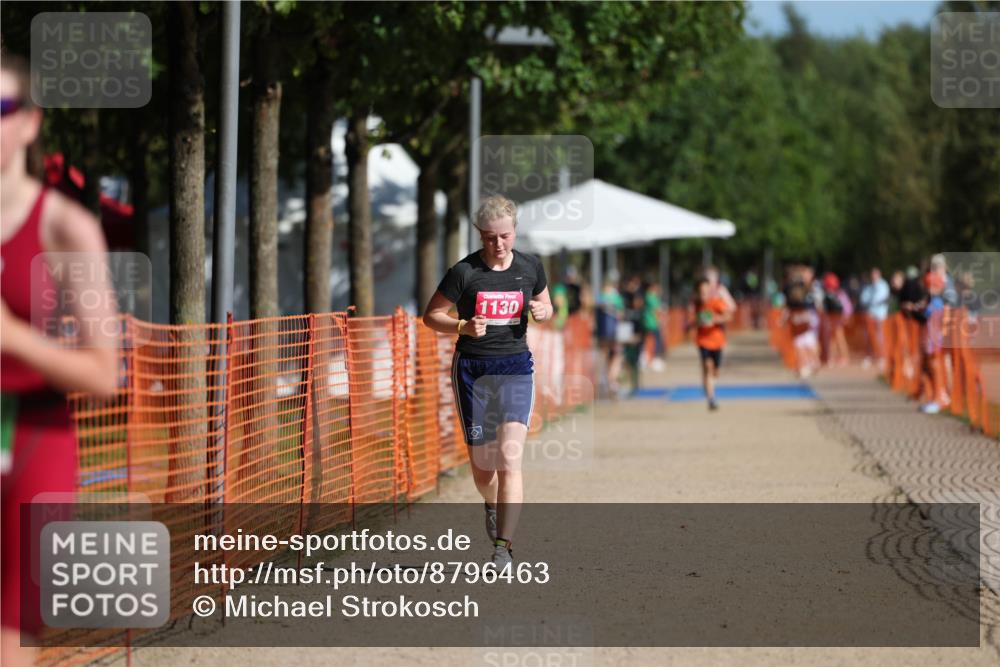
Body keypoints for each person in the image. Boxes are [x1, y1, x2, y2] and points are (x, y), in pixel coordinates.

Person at [1, 52, 120, 667]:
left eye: (0, 108)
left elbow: (105, 374)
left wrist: (12, 338)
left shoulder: (66, 228)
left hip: (31, 447)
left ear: (30, 121)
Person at [422, 195, 552, 568]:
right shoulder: (464, 272)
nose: (499, 244)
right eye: (491, 237)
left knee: (509, 459)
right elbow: (431, 315)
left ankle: (502, 548)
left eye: (505, 236)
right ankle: (492, 503)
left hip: (515, 368)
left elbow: (546, 306)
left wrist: (543, 310)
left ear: (515, 232)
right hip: (473, 371)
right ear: (480, 235)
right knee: (483, 470)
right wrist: (462, 325)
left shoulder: (530, 267)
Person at [689, 278, 731, 410]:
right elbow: (692, 322)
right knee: (708, 366)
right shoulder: (696, 305)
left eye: (705, 292)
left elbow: (728, 316)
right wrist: (698, 322)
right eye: (701, 292)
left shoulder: (716, 302)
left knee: (715, 371)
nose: (703, 295)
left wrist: (715, 320)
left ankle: (709, 384)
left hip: (717, 341)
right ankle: (711, 399)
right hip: (703, 341)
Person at [595, 275, 624, 397]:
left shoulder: (599, 298)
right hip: (613, 333)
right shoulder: (616, 298)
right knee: (617, 355)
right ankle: (612, 381)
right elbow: (621, 315)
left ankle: (603, 381)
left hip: (602, 334)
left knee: (604, 355)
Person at [859, 267, 890, 369]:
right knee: (869, 336)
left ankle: (882, 357)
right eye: (872, 274)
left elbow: (878, 299)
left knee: (880, 336)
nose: (873, 276)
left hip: (880, 315)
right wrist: (870, 302)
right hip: (870, 315)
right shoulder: (869, 286)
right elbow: (863, 299)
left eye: (875, 274)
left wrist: (871, 302)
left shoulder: (883, 285)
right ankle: (870, 356)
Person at [820, 272, 852, 368]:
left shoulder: (840, 294)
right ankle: (832, 357)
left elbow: (847, 308)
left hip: (838, 321)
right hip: (831, 321)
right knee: (832, 339)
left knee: (839, 338)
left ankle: (844, 357)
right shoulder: (830, 295)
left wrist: (846, 317)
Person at [642, 282, 666, 371]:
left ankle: (649, 359)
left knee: (652, 341)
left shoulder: (651, 297)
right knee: (655, 341)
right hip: (651, 323)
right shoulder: (650, 297)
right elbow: (657, 309)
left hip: (652, 322)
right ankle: (652, 360)